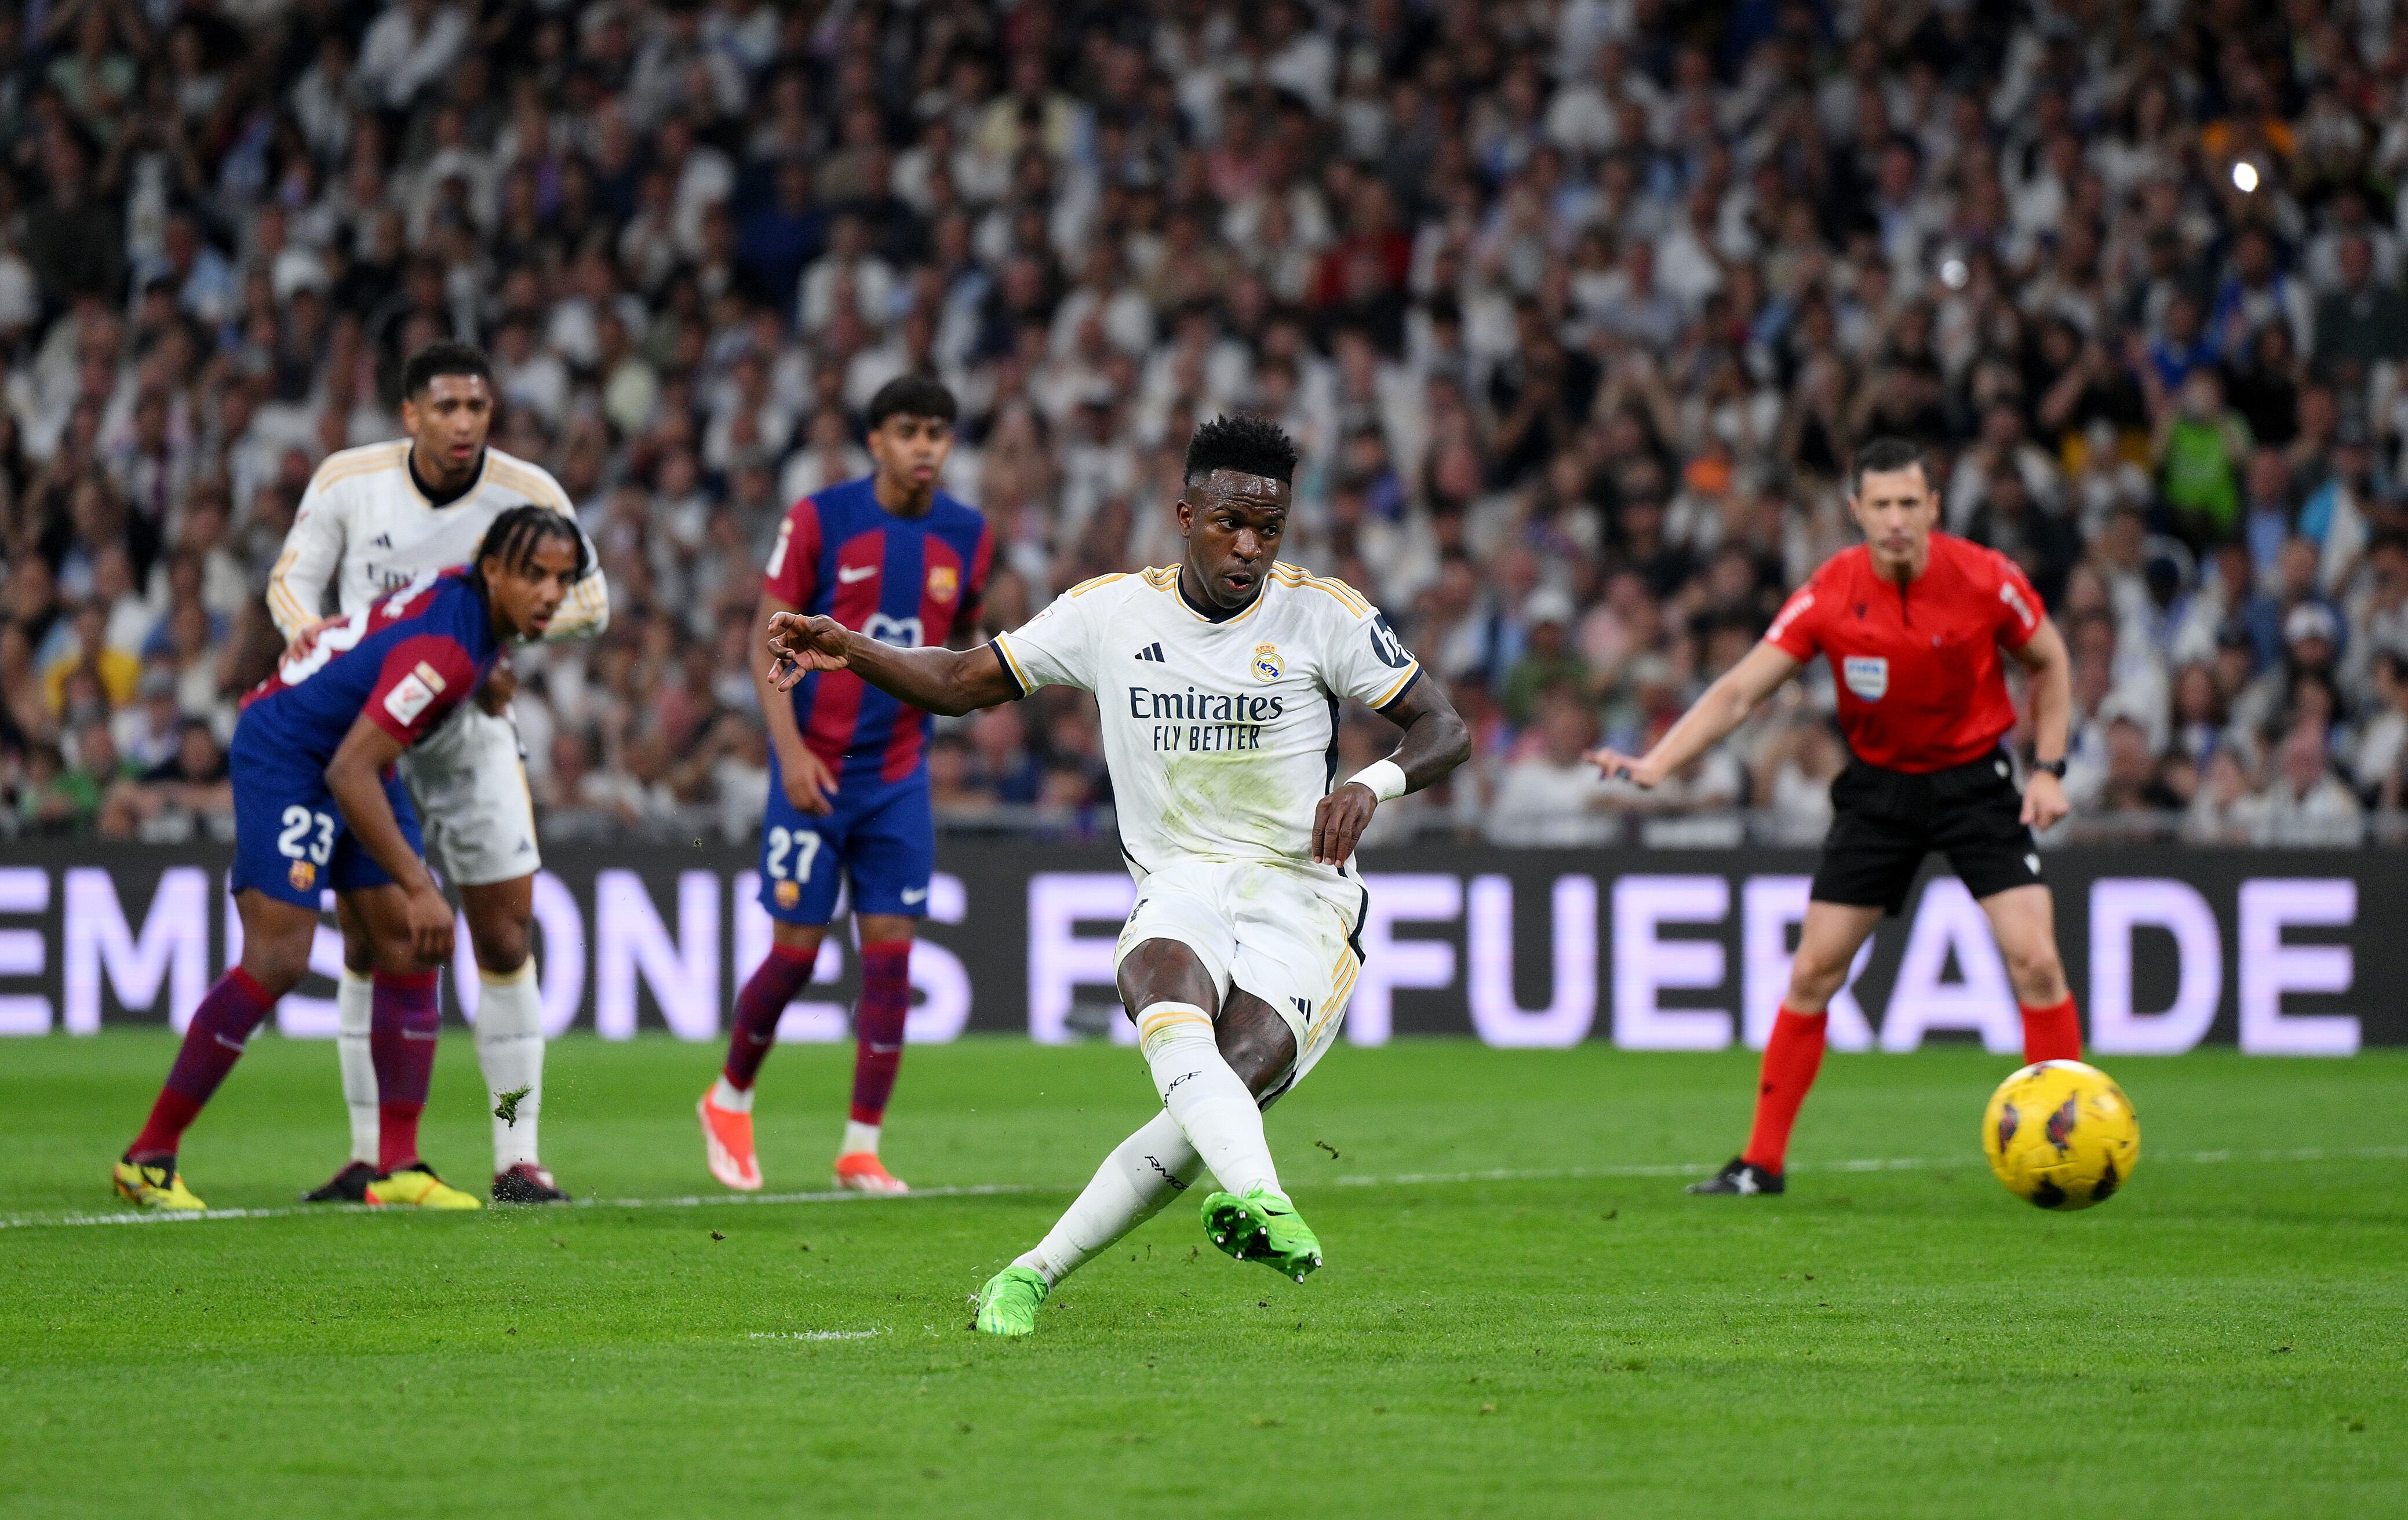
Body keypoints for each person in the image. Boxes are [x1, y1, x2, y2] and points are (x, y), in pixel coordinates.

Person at [764, 414, 1470, 1336]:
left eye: (1269, 528)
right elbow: (959, 681)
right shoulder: (1108, 611)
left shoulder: (1321, 612)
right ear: (1184, 513)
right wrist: (849, 647)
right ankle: (1266, 1201)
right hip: (1179, 879)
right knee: (1160, 992)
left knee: (1216, 1092)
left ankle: (1029, 1272)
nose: (1250, 547)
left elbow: (1442, 727)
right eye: (1229, 523)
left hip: (1303, 895)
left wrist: (1370, 784)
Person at [1588, 437, 2081, 1196]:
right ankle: (1760, 1163)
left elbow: (2048, 660)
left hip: (1974, 784)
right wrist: (1658, 761)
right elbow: (1738, 690)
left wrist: (2047, 770)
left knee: (2037, 961)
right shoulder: (1829, 591)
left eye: (1907, 503)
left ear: (1932, 508)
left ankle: (2069, 1143)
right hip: (1878, 791)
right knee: (1814, 969)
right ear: (1855, 510)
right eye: (1879, 504)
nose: (1894, 519)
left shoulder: (1986, 578)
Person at [113, 509, 584, 1211]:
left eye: (564, 579)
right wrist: (420, 882)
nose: (552, 594)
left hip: (349, 750)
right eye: (535, 576)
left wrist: (489, 680)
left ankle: (396, 1167)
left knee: (403, 942)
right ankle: (148, 1157)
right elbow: (351, 770)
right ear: (493, 572)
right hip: (294, 752)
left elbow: (400, 676)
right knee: (280, 956)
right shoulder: (449, 651)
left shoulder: (471, 609)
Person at [267, 341, 610, 1206]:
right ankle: (366, 1156)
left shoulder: (529, 495)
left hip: (471, 732)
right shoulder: (351, 481)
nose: (465, 422)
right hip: (368, 734)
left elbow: (592, 600)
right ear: (410, 413)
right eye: (447, 406)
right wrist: (313, 640)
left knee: (503, 935)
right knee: (366, 940)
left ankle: (516, 1157)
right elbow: (290, 584)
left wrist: (511, 639)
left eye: (478, 407)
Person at [697, 376, 993, 1197]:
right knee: (795, 954)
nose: (924, 445)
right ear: (875, 440)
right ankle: (728, 1097)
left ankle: (860, 1146)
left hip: (897, 775)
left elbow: (960, 641)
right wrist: (787, 751)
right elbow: (770, 636)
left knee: (892, 962)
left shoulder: (968, 534)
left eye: (937, 431)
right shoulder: (821, 517)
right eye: (907, 430)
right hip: (815, 766)